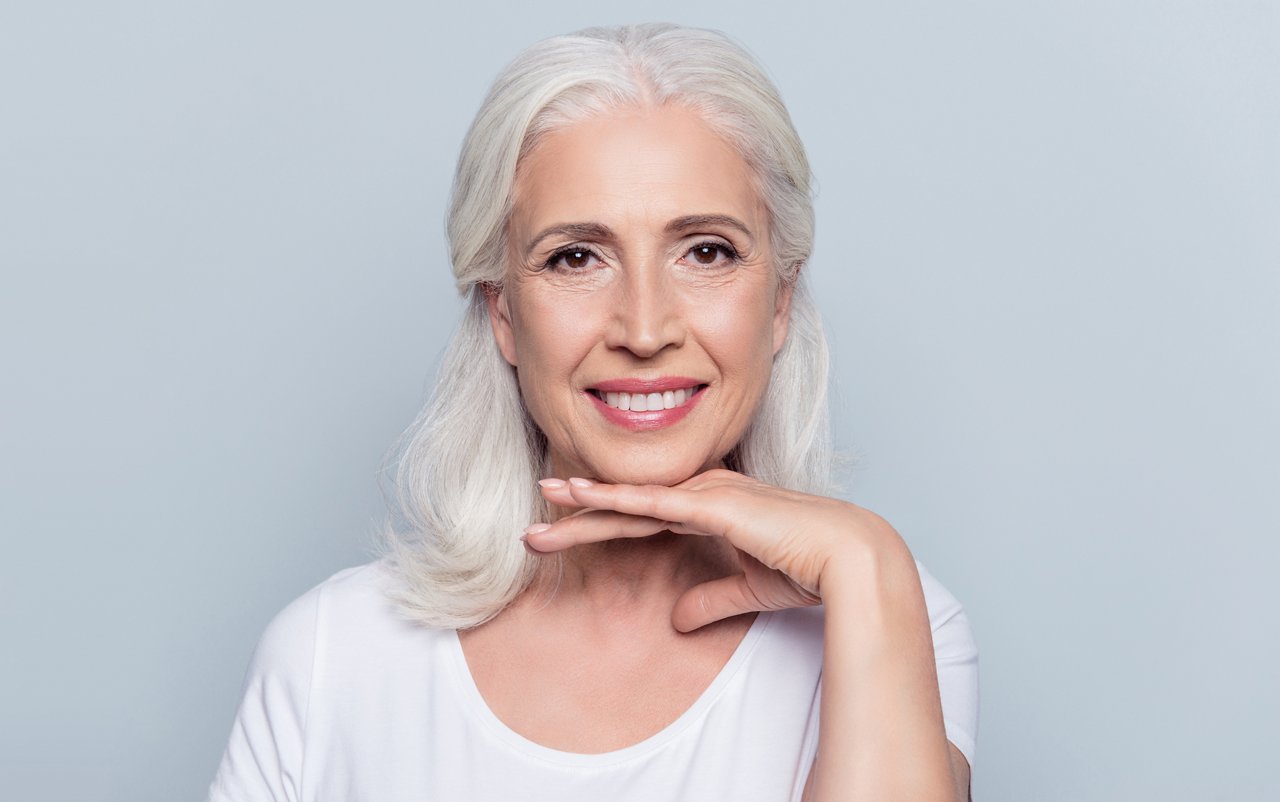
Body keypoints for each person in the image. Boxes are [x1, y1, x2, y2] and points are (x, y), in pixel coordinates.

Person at [210, 23, 978, 801]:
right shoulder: (329, 656)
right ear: (503, 313)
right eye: (576, 257)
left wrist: (866, 561)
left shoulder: (882, 616)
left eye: (706, 251)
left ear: (779, 300)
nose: (645, 331)